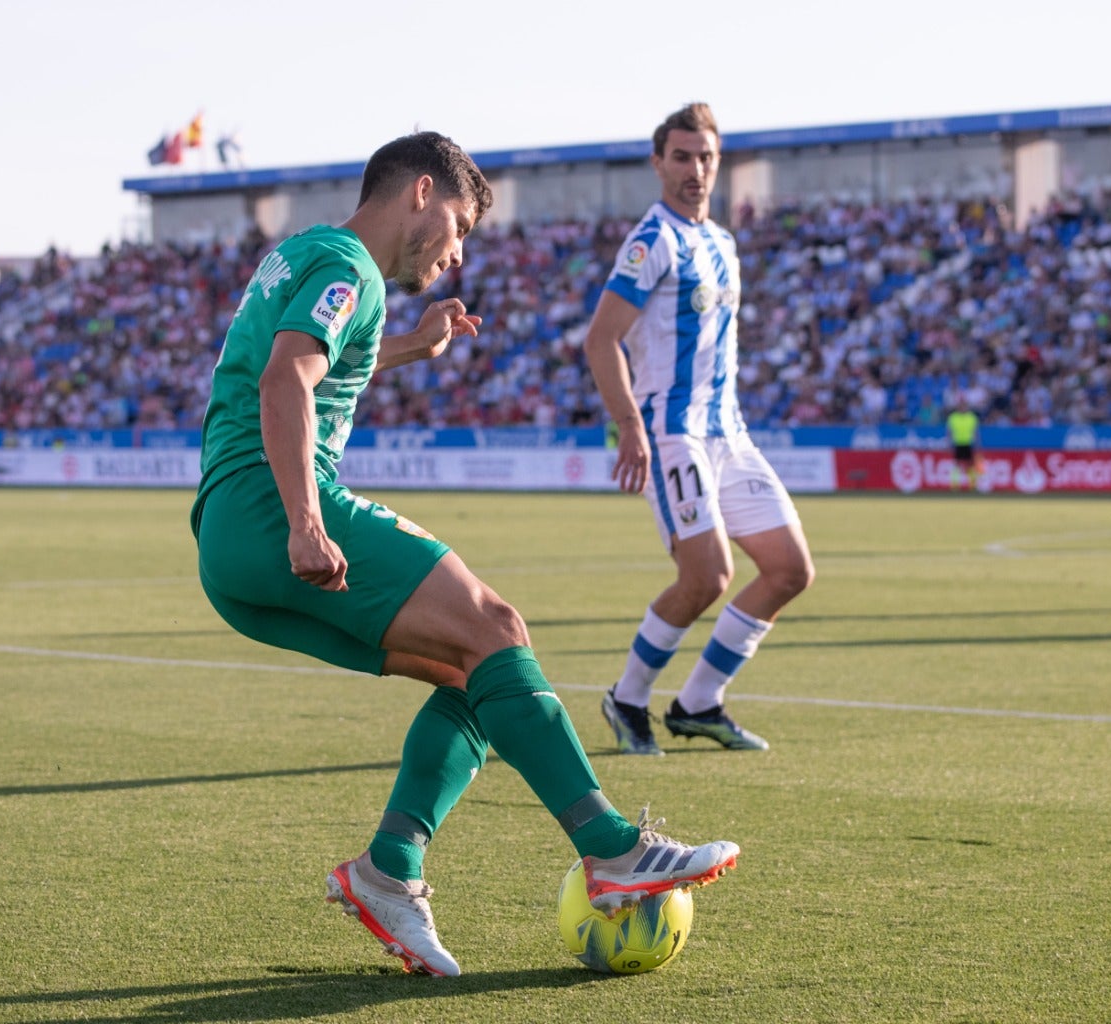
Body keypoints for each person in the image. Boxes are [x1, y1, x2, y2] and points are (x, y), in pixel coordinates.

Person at [190, 131, 739, 977]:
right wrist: (305, 519)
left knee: (476, 681)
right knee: (497, 627)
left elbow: (309, 361)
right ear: (420, 193)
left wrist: (410, 344)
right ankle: (612, 846)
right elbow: (284, 382)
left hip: (228, 547)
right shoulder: (348, 267)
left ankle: (389, 870)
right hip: (272, 508)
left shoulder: (309, 255)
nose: (457, 252)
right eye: (461, 226)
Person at [584, 103, 813, 756]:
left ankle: (699, 702)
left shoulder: (722, 243)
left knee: (789, 569)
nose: (695, 169)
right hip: (672, 432)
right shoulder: (651, 241)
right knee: (706, 576)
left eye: (706, 156)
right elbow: (601, 341)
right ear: (658, 162)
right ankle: (627, 697)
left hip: (729, 434)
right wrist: (630, 426)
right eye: (681, 157)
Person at [946, 394, 983, 492]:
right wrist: (948, 443)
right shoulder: (953, 417)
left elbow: (976, 432)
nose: (962, 407)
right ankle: (955, 485)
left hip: (968, 443)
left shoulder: (972, 417)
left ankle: (973, 485)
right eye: (960, 405)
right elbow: (949, 432)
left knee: (970, 465)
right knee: (956, 465)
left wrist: (977, 444)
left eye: (964, 405)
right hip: (957, 443)